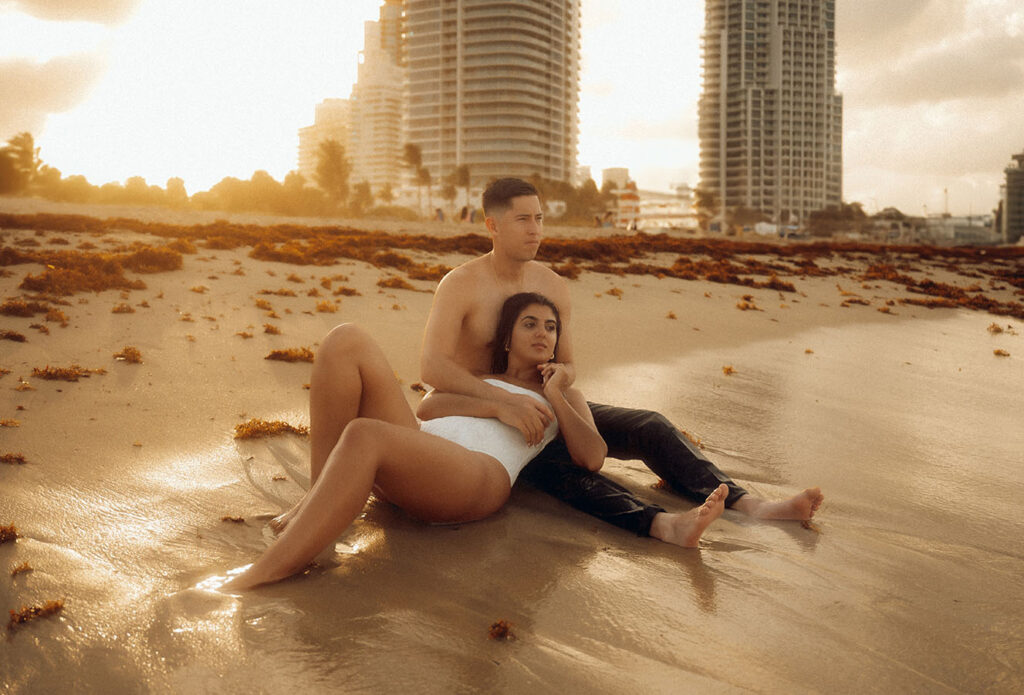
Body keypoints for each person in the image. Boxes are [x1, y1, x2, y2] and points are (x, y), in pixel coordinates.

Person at [222, 294, 729, 591]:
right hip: (422, 448)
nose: (543, 333)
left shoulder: (561, 391)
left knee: (364, 433)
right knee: (344, 338)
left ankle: (269, 570)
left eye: (551, 328)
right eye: (530, 323)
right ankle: (317, 499)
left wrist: (554, 392)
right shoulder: (480, 379)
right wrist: (496, 404)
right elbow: (429, 407)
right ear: (508, 337)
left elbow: (591, 457)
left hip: (476, 476)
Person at [418, 177, 823, 545]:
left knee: (650, 426)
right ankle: (662, 524)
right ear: (492, 225)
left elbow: (570, 365)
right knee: (563, 465)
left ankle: (751, 504)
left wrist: (559, 383)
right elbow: (433, 368)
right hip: (481, 414)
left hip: (544, 400)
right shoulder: (461, 285)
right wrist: (503, 403)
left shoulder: (550, 285)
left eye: (539, 218)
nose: (535, 230)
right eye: (523, 219)